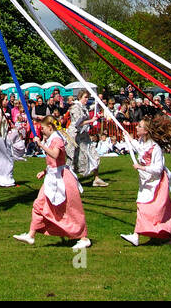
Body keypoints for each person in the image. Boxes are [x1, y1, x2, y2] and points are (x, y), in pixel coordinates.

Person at [13, 116, 90, 250]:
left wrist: (41, 145)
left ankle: (83, 237)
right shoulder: (51, 139)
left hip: (62, 179)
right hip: (51, 177)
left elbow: (55, 155)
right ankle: (31, 234)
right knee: (39, 204)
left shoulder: (57, 139)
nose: (41, 131)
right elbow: (53, 162)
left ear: (50, 127)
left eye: (43, 128)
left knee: (70, 209)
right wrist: (44, 171)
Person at [121, 116, 171, 246]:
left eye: (140, 126)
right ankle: (138, 235)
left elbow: (158, 169)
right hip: (146, 182)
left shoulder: (155, 148)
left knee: (156, 209)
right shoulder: (142, 142)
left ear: (146, 131)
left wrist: (141, 167)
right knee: (146, 207)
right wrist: (129, 139)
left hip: (156, 183)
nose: (136, 127)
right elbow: (140, 148)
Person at [68, 90, 107, 186]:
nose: (86, 99)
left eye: (87, 97)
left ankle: (96, 178)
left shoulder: (83, 107)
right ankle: (69, 180)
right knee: (74, 159)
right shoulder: (75, 107)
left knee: (94, 154)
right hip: (75, 136)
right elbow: (78, 123)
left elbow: (89, 111)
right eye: (85, 97)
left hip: (84, 136)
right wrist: (91, 120)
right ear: (80, 97)